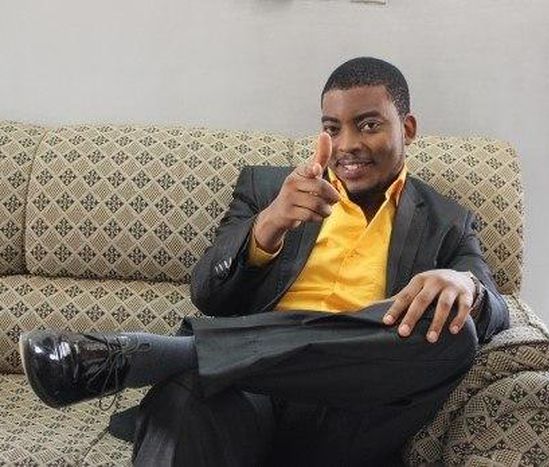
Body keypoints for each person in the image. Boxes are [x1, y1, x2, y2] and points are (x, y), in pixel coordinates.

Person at [19, 57, 509, 466]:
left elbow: (496, 310)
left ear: (408, 128)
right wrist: (268, 225)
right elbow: (209, 295)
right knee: (186, 396)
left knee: (453, 332)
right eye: (332, 128)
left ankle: (157, 355)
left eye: (368, 125)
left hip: (353, 410)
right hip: (247, 398)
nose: (347, 146)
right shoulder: (268, 189)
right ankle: (186, 362)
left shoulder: (447, 221)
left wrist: (464, 284)